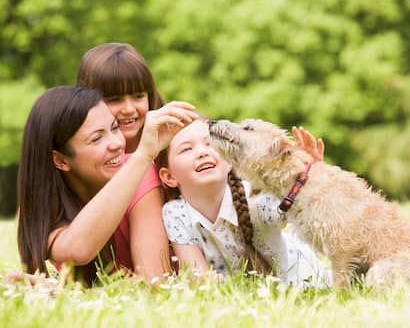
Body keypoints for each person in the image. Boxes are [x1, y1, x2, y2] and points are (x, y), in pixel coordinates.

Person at [15, 86, 198, 286]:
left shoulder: (139, 170)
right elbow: (76, 250)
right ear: (60, 160)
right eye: (96, 138)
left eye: (114, 128)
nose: (117, 144)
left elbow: (154, 280)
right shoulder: (38, 211)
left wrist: (143, 156)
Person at [158, 120, 332, 287]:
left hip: (303, 280)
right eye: (187, 149)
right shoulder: (176, 213)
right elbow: (196, 275)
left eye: (210, 143)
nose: (202, 152)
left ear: (229, 161)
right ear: (169, 177)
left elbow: (311, 217)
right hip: (246, 295)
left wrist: (306, 179)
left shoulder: (258, 198)